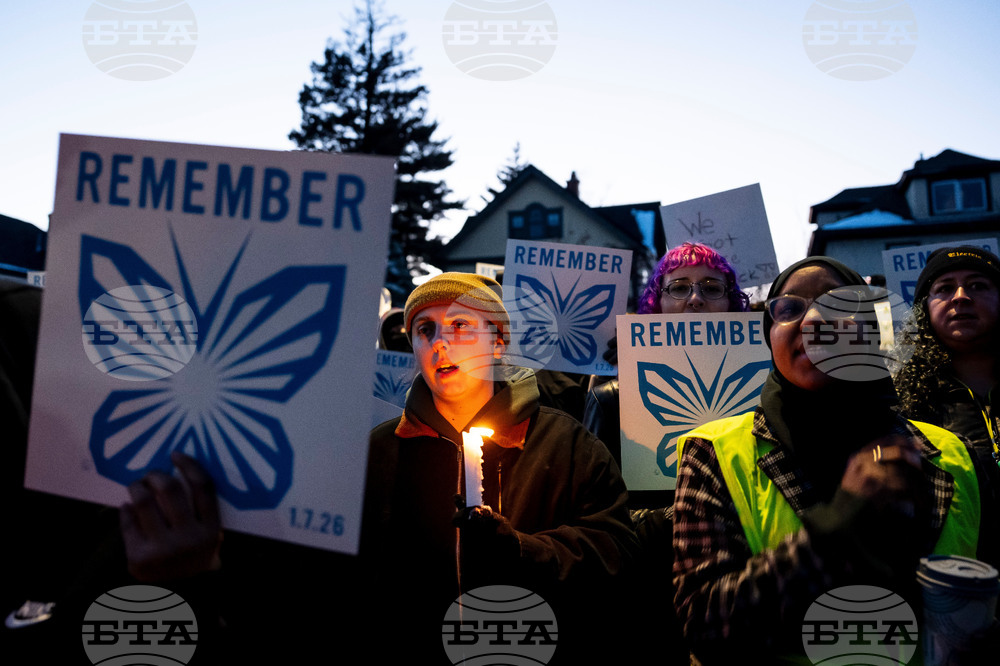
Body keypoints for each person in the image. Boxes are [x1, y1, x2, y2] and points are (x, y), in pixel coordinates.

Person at [671, 256, 985, 663]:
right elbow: (705, 624)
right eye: (789, 309)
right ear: (770, 336)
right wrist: (837, 528)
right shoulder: (713, 451)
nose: (813, 321)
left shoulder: (953, 454)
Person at [364, 272, 640, 664]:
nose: (440, 342)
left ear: (497, 341)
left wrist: (521, 550)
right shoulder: (380, 451)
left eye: (460, 325)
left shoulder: (565, 443)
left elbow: (616, 553)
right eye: (425, 329)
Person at [582, 241, 750, 495]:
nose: (696, 299)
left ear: (731, 302)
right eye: (679, 288)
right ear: (657, 302)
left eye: (712, 288)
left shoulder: (768, 384)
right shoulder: (611, 398)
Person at [894, 245, 1000, 566]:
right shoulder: (898, 403)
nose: (961, 297)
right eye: (943, 288)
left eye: (978, 285)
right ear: (924, 309)